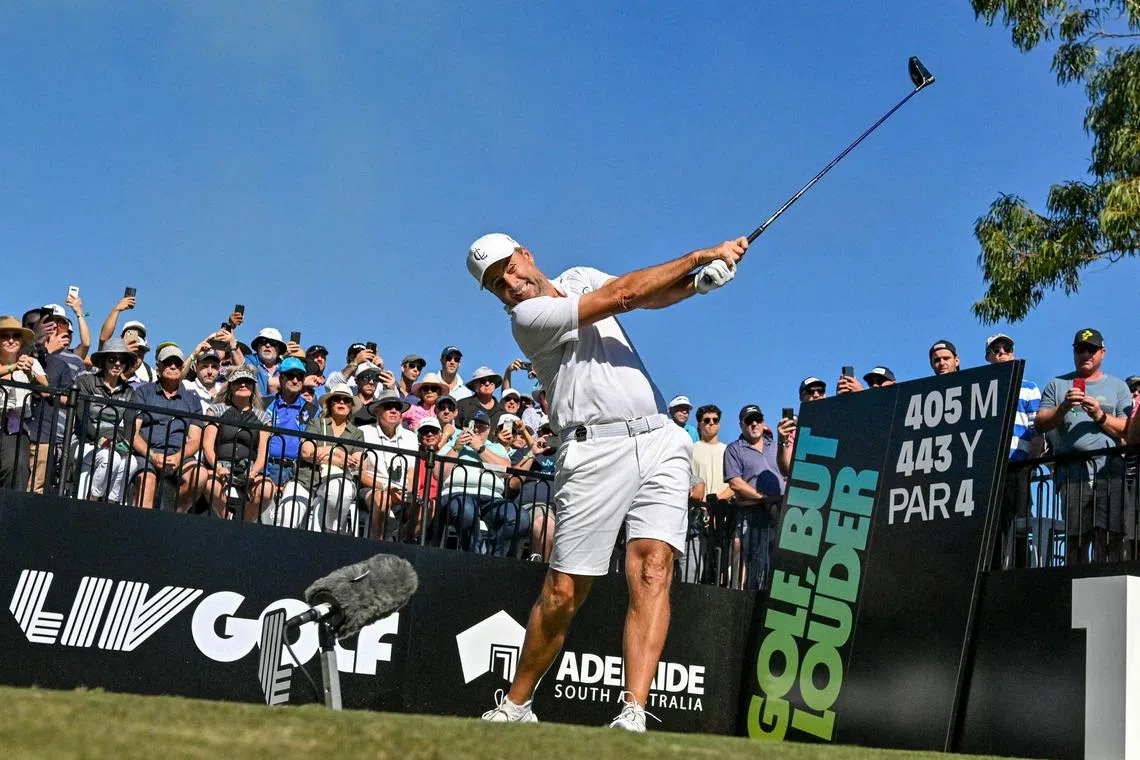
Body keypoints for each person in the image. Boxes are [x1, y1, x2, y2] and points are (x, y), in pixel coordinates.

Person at [468, 230, 743, 730]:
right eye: (496, 284)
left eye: (509, 267)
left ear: (526, 254)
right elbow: (623, 295)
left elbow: (647, 296)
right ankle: (517, 704)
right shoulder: (527, 319)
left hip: (659, 437)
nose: (509, 283)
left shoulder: (579, 276)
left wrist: (698, 284)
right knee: (564, 591)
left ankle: (633, 712)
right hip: (592, 451)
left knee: (653, 567)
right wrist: (701, 255)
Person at [1035, 328, 1133, 562]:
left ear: (1102, 353)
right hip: (1072, 474)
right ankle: (1074, 582)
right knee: (1076, 538)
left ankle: (1105, 580)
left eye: (1092, 349)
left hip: (1110, 473)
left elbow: (1128, 430)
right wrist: (1063, 408)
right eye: (1080, 349)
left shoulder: (1119, 387)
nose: (1086, 354)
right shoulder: (1057, 385)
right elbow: (1040, 423)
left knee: (1109, 537)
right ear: (1074, 353)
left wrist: (1100, 415)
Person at [984, 333, 1042, 568]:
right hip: (989, 468)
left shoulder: (1029, 388)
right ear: (988, 357)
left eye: (1006, 349)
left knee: (1019, 523)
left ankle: (1019, 571)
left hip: (1018, 466)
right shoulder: (982, 387)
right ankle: (992, 571)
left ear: (1013, 354)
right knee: (991, 525)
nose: (1001, 353)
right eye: (995, 350)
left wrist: (1031, 464)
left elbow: (1037, 428)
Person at [437, 410, 529, 557]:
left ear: (489, 430)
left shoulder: (496, 447)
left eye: (481, 427)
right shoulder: (452, 444)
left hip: (492, 498)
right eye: (472, 425)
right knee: (466, 510)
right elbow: (438, 473)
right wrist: (457, 448)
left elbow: (506, 471)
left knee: (520, 518)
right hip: (457, 493)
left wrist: (480, 448)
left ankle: (494, 559)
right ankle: (476, 556)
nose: (476, 430)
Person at [129, 345, 205, 511]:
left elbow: (195, 439)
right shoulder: (143, 393)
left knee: (200, 475)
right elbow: (133, 433)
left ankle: (174, 516)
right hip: (147, 454)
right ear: (159, 366)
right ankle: (142, 525)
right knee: (147, 480)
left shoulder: (193, 400)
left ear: (182, 367)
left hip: (179, 457)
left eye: (177, 363)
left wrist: (178, 457)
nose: (173, 366)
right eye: (168, 362)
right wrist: (152, 455)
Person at [199, 365, 274, 520]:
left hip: (249, 469)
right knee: (209, 483)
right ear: (230, 386)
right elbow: (207, 445)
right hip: (220, 466)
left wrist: (254, 472)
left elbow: (263, 453)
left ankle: (243, 523)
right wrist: (218, 468)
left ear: (253, 387)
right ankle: (226, 519)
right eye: (238, 381)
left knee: (267, 489)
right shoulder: (216, 410)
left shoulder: (263, 418)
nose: (243, 385)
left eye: (248, 382)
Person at [724, 404, 785, 592]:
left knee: (777, 565)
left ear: (763, 421)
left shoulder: (775, 446)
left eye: (758, 419)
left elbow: (787, 471)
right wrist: (763, 498)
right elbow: (735, 483)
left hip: (780, 514)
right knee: (754, 568)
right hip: (751, 516)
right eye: (749, 420)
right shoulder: (734, 449)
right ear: (741, 425)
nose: (754, 424)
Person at [71, 339, 137, 504]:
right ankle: (94, 499)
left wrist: (123, 442)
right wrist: (99, 439)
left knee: (132, 462)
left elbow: (129, 424)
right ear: (104, 361)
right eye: (112, 359)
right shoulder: (86, 381)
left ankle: (111, 502)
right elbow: (82, 417)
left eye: (122, 360)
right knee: (110, 458)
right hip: (83, 440)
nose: (117, 364)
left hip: (113, 443)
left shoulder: (129, 392)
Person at [296, 383, 366, 534]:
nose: (341, 402)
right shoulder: (316, 423)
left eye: (346, 400)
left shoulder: (357, 433)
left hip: (339, 480)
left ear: (351, 406)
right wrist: (339, 455)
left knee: (339, 490)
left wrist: (325, 451)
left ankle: (332, 532)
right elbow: (307, 453)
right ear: (329, 403)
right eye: (337, 399)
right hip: (308, 480)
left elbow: (356, 463)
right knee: (287, 513)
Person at [259, 357, 320, 528]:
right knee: (264, 523)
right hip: (266, 467)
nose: (295, 380)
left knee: (288, 522)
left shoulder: (312, 410)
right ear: (281, 378)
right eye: (290, 376)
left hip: (297, 471)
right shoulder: (264, 403)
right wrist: (263, 472)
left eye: (299, 376)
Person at [358, 388, 418, 539]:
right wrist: (385, 488)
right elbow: (360, 473)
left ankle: (401, 543)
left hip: (401, 492)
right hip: (372, 489)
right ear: (377, 411)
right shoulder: (363, 432)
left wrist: (407, 492)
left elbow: (411, 472)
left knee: (426, 507)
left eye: (397, 407)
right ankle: (378, 543)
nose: (393, 410)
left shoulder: (411, 437)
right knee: (383, 498)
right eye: (388, 406)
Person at [0, 316, 46, 490]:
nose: (11, 340)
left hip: (14, 428)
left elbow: (47, 391)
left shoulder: (31, 362)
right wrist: (13, 367)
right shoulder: (16, 365)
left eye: (16, 336)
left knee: (17, 468)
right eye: (5, 336)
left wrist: (30, 374)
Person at [506, 418, 558, 562]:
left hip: (560, 507)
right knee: (544, 522)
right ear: (539, 433)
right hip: (532, 505)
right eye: (545, 431)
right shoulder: (523, 452)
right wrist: (532, 453)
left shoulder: (565, 455)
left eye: (554, 432)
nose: (549, 435)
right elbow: (513, 484)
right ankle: (539, 566)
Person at [244, 327, 288, 397]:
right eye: (263, 341)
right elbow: (239, 362)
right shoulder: (249, 360)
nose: (267, 345)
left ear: (279, 348)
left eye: (273, 342)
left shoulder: (286, 366)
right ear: (258, 346)